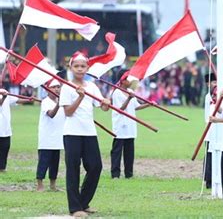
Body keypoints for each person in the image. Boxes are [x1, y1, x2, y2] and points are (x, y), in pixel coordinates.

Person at [59, 51, 111, 217]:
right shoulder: (67, 87)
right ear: (71, 67)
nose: (80, 69)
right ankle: (75, 208)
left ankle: (83, 202)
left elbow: (101, 107)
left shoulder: (93, 87)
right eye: (77, 66)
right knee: (73, 169)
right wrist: (79, 98)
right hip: (72, 133)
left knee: (95, 167)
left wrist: (106, 103)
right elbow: (68, 112)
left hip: (89, 133)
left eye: (83, 66)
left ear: (87, 68)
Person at [110, 70, 149, 179]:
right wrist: (129, 98)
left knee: (129, 152)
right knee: (117, 151)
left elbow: (135, 106)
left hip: (131, 125)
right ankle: (115, 174)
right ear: (122, 80)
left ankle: (129, 174)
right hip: (120, 125)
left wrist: (148, 105)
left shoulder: (130, 91)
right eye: (128, 79)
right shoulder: (117, 92)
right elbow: (120, 109)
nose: (130, 81)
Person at [36, 79, 66, 192]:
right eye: (54, 87)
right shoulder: (46, 102)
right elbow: (51, 114)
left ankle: (53, 185)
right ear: (48, 89)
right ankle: (39, 184)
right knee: (44, 162)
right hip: (47, 138)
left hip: (58, 138)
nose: (57, 89)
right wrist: (59, 104)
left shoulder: (62, 102)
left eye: (58, 87)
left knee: (55, 163)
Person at [0, 89, 34, 172]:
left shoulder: (4, 91)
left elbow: (16, 100)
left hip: (5, 128)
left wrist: (28, 99)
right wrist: (4, 97)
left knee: (5, 148)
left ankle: (2, 168)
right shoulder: (4, 94)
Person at [203, 72, 217, 189]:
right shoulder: (209, 96)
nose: (215, 84)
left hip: (218, 129)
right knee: (209, 155)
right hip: (211, 129)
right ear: (208, 84)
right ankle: (208, 179)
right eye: (213, 82)